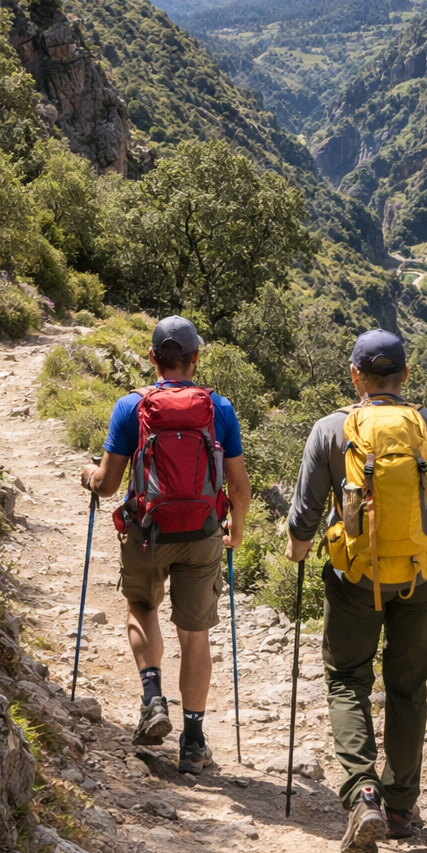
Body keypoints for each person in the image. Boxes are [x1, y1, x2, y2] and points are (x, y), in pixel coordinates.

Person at [285, 328, 427, 853]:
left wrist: (299, 554)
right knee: (408, 685)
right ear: (405, 377)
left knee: (348, 677)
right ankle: (400, 805)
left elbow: (304, 514)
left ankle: (362, 792)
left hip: (354, 578)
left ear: (355, 377)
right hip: (419, 577)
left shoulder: (331, 430)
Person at [81, 315, 251, 775]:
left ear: (153, 358)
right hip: (201, 534)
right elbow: (238, 486)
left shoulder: (129, 407)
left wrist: (89, 476)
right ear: (196, 359)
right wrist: (236, 529)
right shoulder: (220, 409)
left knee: (140, 606)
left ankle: (153, 699)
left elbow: (109, 484)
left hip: (147, 533)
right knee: (195, 634)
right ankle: (193, 741)